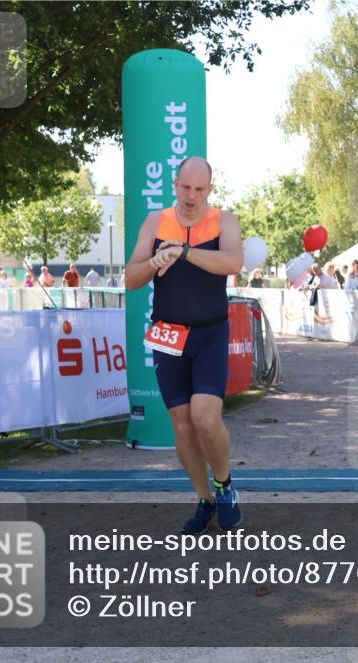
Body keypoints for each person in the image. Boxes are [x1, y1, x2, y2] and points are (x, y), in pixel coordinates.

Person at [124, 156, 243, 533]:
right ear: (175, 185)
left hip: (210, 332)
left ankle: (225, 486)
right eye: (185, 187)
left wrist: (186, 252)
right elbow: (130, 278)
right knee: (183, 427)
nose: (191, 196)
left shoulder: (225, 221)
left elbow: (233, 262)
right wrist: (156, 261)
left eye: (199, 189)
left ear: (210, 190)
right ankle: (204, 499)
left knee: (205, 418)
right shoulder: (156, 222)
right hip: (168, 334)